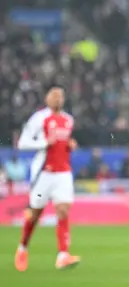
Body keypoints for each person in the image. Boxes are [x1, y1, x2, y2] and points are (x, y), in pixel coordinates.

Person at [14, 85, 80, 271]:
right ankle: (22, 248)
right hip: (44, 173)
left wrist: (69, 144)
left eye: (61, 96)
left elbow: (63, 142)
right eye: (54, 96)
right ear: (47, 99)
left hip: (63, 172)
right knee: (35, 214)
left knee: (63, 210)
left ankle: (63, 255)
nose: (58, 99)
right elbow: (23, 143)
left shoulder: (68, 120)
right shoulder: (39, 118)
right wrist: (44, 143)